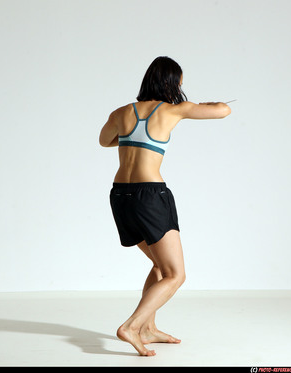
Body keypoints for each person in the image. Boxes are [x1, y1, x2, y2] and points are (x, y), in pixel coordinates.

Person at [99, 56, 231, 356]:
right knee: (176, 274)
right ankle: (131, 326)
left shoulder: (121, 112)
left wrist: (132, 137)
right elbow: (224, 111)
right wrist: (211, 101)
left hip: (120, 195)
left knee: (160, 266)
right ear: (173, 83)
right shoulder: (174, 110)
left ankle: (148, 327)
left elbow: (105, 141)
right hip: (150, 195)